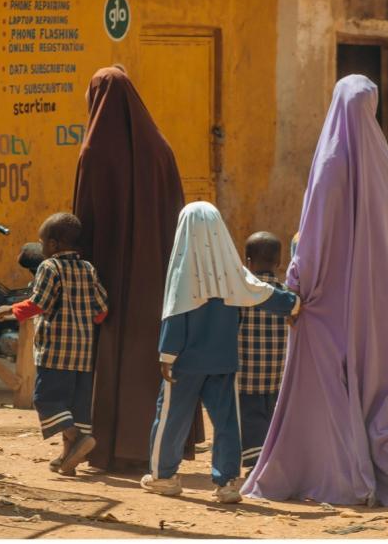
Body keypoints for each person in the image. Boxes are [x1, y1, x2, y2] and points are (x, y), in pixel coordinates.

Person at [242, 74, 388, 507]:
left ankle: (331, 471)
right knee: (373, 381)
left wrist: (296, 285)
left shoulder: (331, 161)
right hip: (383, 306)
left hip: (328, 301)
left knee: (327, 385)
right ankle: (387, 464)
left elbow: (314, 234)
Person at [73, 66, 204, 470]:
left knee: (114, 357)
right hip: (162, 275)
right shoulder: (162, 150)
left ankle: (113, 448)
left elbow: (83, 223)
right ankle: (166, 444)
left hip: (107, 276)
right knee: (158, 355)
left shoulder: (93, 152)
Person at [140, 202, 300, 504]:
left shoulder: (183, 269)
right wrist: (293, 304)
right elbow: (261, 293)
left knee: (172, 416)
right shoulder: (233, 272)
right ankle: (227, 482)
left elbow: (175, 313)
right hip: (223, 359)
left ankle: (163, 476)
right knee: (226, 420)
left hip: (185, 361)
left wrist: (166, 355)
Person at [0, 212, 108, 476]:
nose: (42, 247)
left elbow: (39, 303)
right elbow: (101, 311)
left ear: (55, 245)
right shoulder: (88, 269)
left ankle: (76, 438)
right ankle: (67, 458)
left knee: (46, 400)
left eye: (43, 242)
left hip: (55, 353)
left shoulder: (50, 267)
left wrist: (10, 309)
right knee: (76, 406)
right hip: (83, 355)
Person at [237, 232, 290, 473]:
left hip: (245, 373)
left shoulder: (240, 294)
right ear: (279, 262)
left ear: (247, 261)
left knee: (250, 417)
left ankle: (254, 462)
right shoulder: (286, 295)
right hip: (277, 373)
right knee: (271, 415)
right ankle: (271, 459)